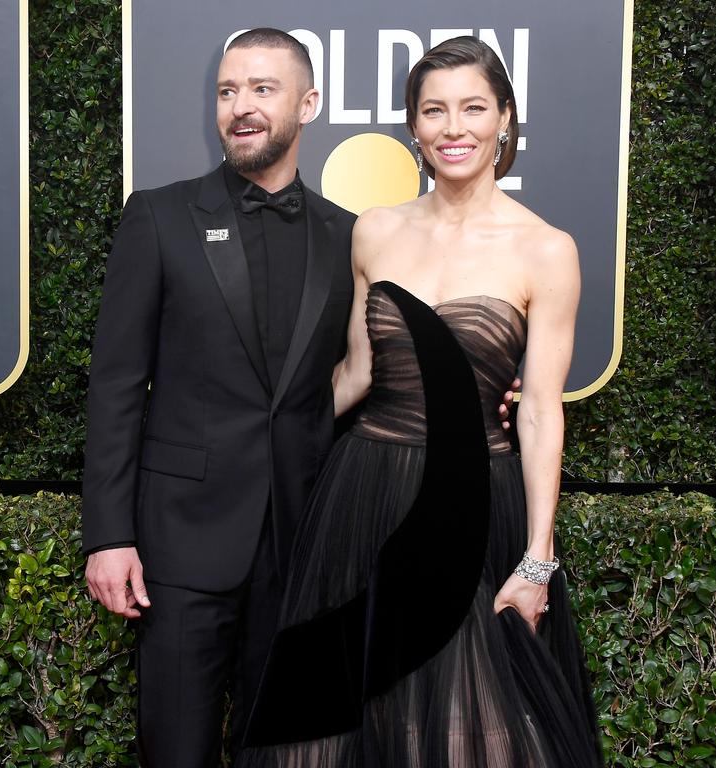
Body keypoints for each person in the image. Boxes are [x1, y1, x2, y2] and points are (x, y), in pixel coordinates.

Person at [237, 36, 604, 767]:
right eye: (434, 110)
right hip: (363, 500)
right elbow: (356, 374)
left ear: (505, 119)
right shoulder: (376, 230)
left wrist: (537, 561)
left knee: (482, 733)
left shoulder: (546, 250)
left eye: (473, 107)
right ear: (413, 127)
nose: (453, 127)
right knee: (334, 730)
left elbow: (537, 411)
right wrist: (250, 427)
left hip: (472, 508)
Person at [81, 29, 356, 766]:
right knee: (175, 751)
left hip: (299, 548)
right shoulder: (160, 217)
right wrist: (109, 535)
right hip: (180, 543)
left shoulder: (347, 237)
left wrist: (494, 392)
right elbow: (114, 385)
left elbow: (367, 374)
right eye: (228, 91)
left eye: (262, 90)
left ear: (309, 104)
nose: (241, 107)